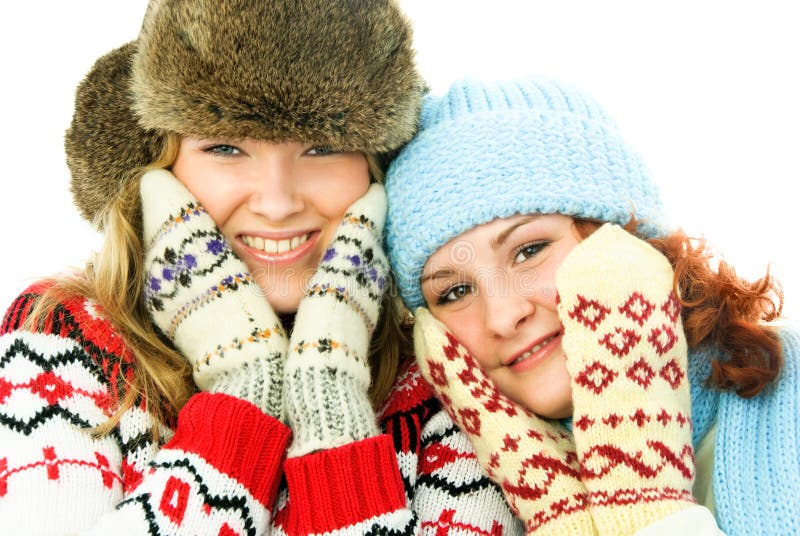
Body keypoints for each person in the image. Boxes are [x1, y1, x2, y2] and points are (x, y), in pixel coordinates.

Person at [0, 2, 525, 534]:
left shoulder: (446, 377)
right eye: (226, 148)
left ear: (378, 171)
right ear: (154, 169)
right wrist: (244, 388)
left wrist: (331, 401)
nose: (277, 204)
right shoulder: (65, 336)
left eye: (323, 147)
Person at [384, 76, 798, 535]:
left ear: (626, 238)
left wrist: (646, 503)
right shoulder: (459, 494)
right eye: (454, 292)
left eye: (529, 250)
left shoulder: (790, 400)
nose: (502, 316)